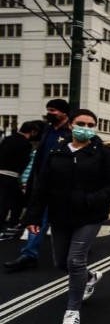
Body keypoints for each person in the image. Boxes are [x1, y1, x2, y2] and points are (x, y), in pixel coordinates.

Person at [24, 109, 110, 324]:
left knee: (75, 261)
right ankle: (90, 276)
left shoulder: (103, 153)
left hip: (90, 215)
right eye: (81, 123)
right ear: (71, 125)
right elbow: (42, 186)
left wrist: (89, 199)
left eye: (90, 125)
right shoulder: (57, 150)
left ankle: (72, 310)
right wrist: (33, 217)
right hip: (60, 214)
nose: (85, 128)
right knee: (62, 263)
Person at [4, 99, 72, 271]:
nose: (50, 113)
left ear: (64, 113)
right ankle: (29, 254)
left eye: (53, 110)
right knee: (36, 219)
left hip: (64, 186)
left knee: (65, 221)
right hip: (43, 184)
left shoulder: (71, 131)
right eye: (48, 109)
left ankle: (75, 252)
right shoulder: (46, 131)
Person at [0, 121, 41, 235]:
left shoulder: (8, 139)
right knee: (7, 202)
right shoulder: (26, 144)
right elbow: (24, 162)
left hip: (1, 173)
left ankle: (13, 223)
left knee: (14, 200)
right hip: (11, 175)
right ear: (33, 131)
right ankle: (10, 224)